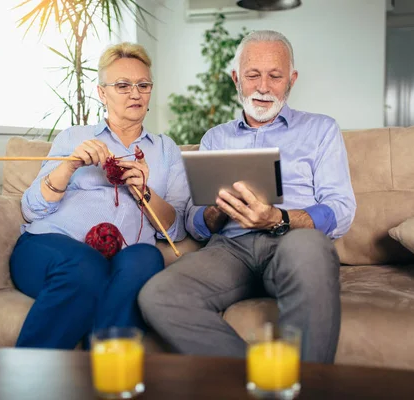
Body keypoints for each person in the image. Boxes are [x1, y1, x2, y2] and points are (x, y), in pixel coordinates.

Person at [139, 31, 356, 363]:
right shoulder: (215, 138)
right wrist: (217, 212)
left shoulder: (321, 130)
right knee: (158, 295)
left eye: (275, 76)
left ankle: (308, 388)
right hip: (231, 249)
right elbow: (194, 224)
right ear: (236, 78)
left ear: (292, 80)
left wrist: (278, 218)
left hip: (293, 240)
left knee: (311, 246)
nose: (264, 86)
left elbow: (340, 210)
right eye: (253, 75)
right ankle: (260, 379)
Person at [10, 42, 189, 349]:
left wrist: (144, 192)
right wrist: (67, 168)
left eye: (143, 85)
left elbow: (175, 228)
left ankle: (110, 374)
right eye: (122, 85)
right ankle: (29, 381)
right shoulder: (74, 137)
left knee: (145, 258)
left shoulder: (166, 149)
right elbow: (31, 210)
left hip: (125, 257)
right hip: (50, 246)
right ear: (102, 93)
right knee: (86, 265)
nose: (135, 93)